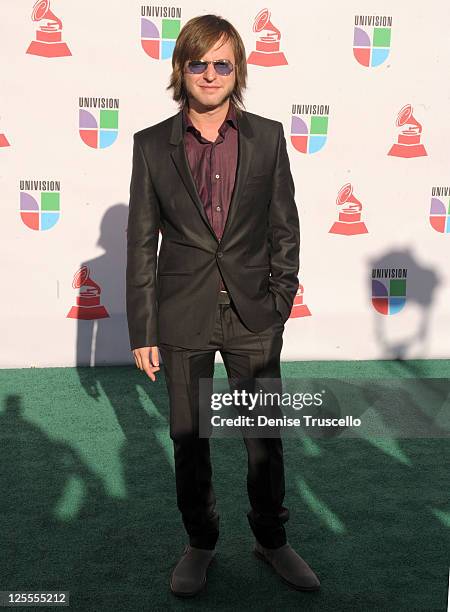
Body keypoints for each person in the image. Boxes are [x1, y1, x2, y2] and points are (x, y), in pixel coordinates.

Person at [126, 13, 320, 598]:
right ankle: (201, 542)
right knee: (190, 438)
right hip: (181, 314)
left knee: (263, 434)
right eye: (198, 62)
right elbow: (140, 241)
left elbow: (284, 225)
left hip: (254, 312)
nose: (209, 74)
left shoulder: (268, 136)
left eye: (222, 63)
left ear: (237, 71)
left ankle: (271, 539)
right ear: (180, 68)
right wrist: (143, 328)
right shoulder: (149, 144)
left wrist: (280, 298)